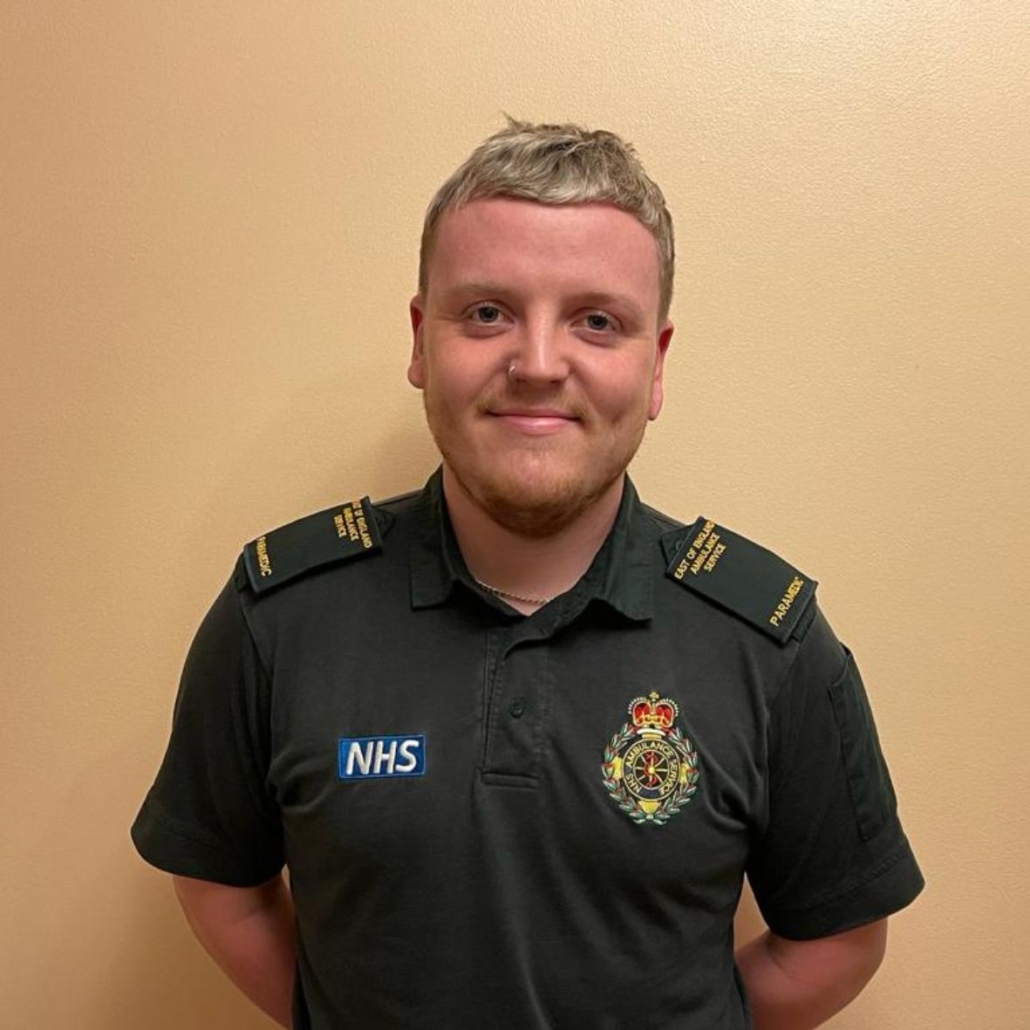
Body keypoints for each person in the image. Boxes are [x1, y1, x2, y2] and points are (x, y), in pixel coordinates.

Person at [132, 119, 923, 1030]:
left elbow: (838, 938)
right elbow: (220, 884)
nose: (539, 365)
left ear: (655, 365)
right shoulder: (280, 615)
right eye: (487, 313)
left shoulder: (769, 644)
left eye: (597, 321)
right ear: (422, 341)